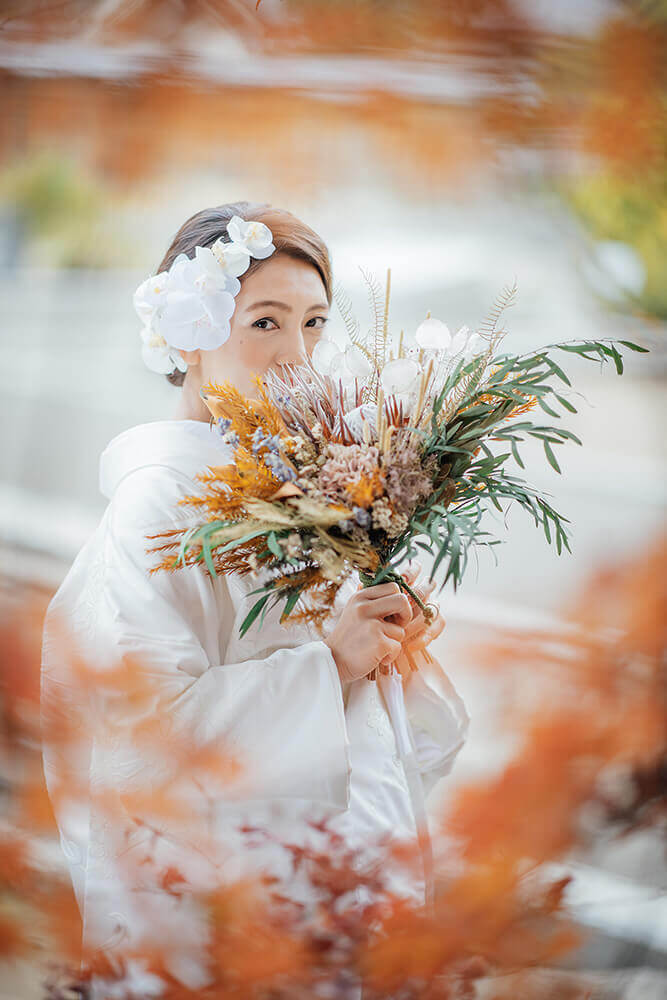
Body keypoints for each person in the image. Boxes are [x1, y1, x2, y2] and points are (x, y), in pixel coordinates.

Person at [40, 201, 470, 998]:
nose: (298, 353)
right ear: (188, 334)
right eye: (265, 323)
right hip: (236, 902)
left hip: (333, 878)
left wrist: (388, 650)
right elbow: (138, 734)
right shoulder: (157, 504)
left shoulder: (300, 486)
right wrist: (326, 666)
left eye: (313, 323)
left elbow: (370, 724)